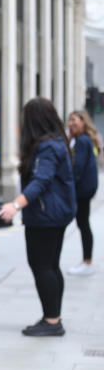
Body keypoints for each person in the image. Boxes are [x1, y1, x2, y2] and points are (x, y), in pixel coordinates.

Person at [0, 97, 76, 336]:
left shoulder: (47, 147)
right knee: (51, 265)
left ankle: (52, 321)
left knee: (42, 266)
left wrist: (15, 205)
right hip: (54, 214)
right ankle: (53, 316)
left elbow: (41, 182)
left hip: (45, 215)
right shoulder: (56, 143)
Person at [65, 110, 100, 275]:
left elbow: (77, 168)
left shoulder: (82, 141)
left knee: (83, 224)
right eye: (69, 121)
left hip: (82, 190)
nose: (71, 123)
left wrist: (69, 186)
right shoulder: (84, 140)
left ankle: (87, 261)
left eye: (74, 120)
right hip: (86, 189)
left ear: (83, 122)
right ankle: (87, 260)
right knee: (83, 224)